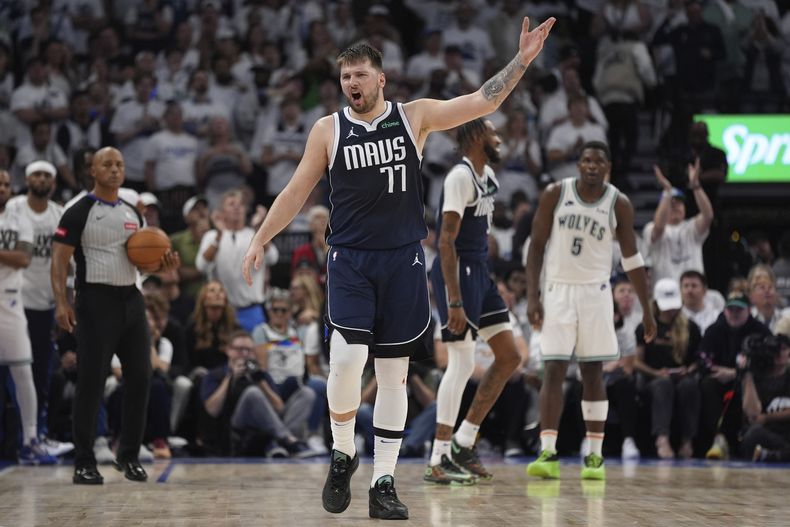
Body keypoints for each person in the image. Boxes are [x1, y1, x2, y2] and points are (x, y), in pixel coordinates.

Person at [242, 19, 556, 520]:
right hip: (349, 260)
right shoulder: (328, 129)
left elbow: (484, 101)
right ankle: (343, 451)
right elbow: (296, 191)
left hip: (404, 261)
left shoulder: (415, 117)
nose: (353, 84)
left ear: (381, 78)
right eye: (346, 77)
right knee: (346, 361)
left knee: (394, 376)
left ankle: (384, 480)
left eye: (361, 75)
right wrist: (261, 238)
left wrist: (521, 60)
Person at [525, 141, 656, 481]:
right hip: (557, 290)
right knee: (552, 369)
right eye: (586, 160)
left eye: (599, 160)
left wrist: (647, 308)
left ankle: (595, 456)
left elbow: (632, 260)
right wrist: (533, 296)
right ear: (578, 165)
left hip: (596, 293)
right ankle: (548, 450)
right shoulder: (556, 193)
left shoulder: (619, 203)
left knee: (593, 373)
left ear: (608, 166)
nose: (592, 166)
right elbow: (536, 246)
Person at [51, 147, 180, 485]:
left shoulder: (132, 212)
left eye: (119, 164)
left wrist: (162, 266)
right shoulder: (78, 211)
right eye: (106, 164)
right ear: (92, 170)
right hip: (94, 300)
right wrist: (61, 303)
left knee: (141, 377)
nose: (114, 169)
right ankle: (84, 461)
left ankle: (129, 456)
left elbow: (140, 259)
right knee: (91, 383)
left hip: (132, 299)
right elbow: (59, 259)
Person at [424, 118, 520, 486]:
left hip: (480, 271)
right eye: (494, 131)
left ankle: (464, 441)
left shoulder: (488, 175)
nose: (499, 137)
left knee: (510, 356)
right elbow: (445, 242)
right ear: (477, 137)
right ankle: (439, 456)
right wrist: (454, 301)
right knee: (461, 365)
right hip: (458, 273)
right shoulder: (459, 178)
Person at [0, 169, 57, 465]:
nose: (3, 188)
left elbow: (24, 258)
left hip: (10, 301)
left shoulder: (18, 218)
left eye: (7, 184)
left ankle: (30, 439)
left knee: (24, 372)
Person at [698, 291, 772, 460]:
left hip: (751, 381)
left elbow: (768, 363)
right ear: (725, 311)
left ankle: (748, 441)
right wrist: (714, 370)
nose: (734, 313)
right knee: (707, 384)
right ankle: (719, 438)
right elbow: (702, 358)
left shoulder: (760, 331)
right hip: (721, 382)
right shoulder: (715, 329)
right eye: (730, 309)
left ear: (749, 310)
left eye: (739, 309)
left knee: (750, 382)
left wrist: (736, 373)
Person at [634, 278, 702, 459]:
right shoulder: (645, 327)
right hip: (653, 380)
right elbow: (636, 362)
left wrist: (690, 369)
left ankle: (687, 441)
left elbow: (699, 359)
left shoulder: (691, 327)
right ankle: (662, 439)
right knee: (663, 384)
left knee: (689, 386)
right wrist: (655, 373)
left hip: (682, 378)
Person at [643, 161, 714, 287]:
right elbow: (658, 228)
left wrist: (696, 186)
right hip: (665, 295)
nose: (676, 207)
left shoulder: (692, 227)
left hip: (693, 291)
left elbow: (708, 216)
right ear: (662, 206)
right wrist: (667, 192)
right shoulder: (650, 228)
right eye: (671, 203)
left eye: (679, 203)